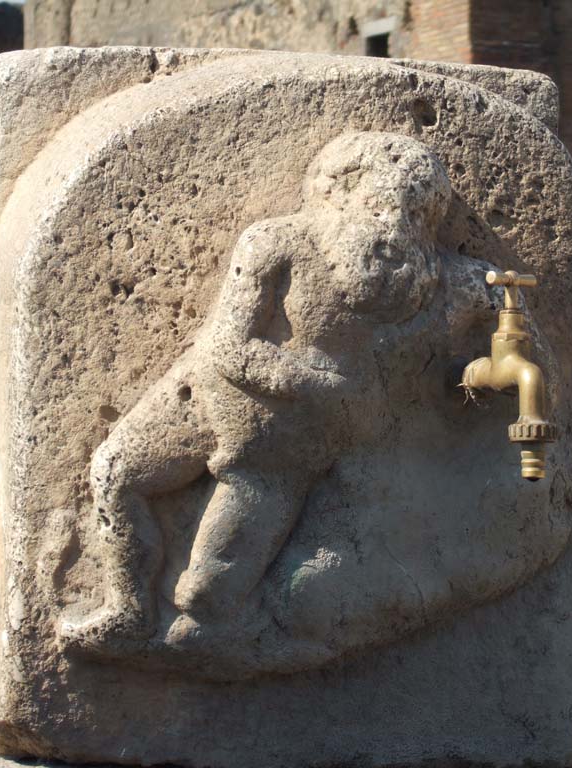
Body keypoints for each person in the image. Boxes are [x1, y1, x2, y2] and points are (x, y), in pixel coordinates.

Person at [60, 132, 452, 653]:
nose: (395, 224)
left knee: (208, 594)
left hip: (280, 448)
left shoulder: (416, 281)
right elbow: (229, 344)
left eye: (417, 214)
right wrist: (311, 383)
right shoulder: (275, 242)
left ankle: (248, 643)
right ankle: (129, 610)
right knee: (114, 474)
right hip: (204, 397)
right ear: (341, 190)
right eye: (382, 203)